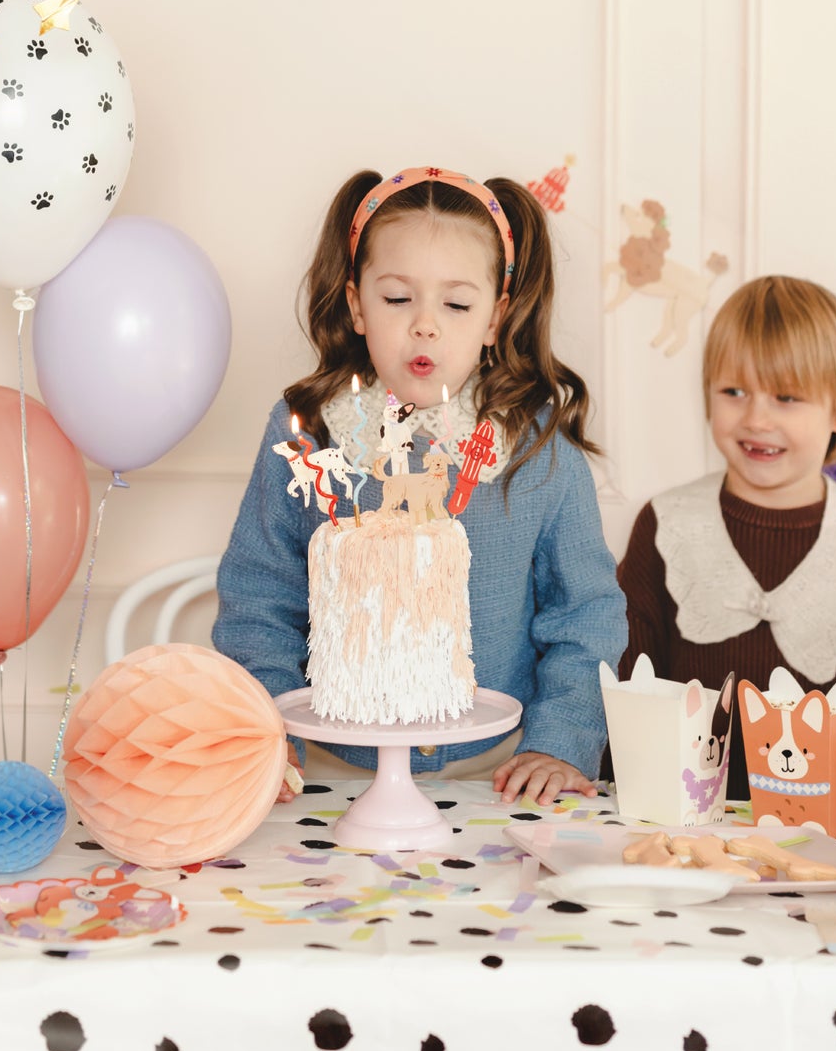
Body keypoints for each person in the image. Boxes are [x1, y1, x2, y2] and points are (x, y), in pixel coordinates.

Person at [213, 166, 626, 806]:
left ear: (496, 317)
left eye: (457, 304)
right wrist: (270, 732)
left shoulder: (538, 448)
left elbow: (585, 617)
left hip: (496, 773)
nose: (425, 325)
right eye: (397, 298)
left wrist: (560, 740)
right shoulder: (310, 433)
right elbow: (259, 599)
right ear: (356, 305)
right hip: (329, 771)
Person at [615, 275, 836, 799]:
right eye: (734, 392)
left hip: (833, 836)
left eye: (786, 397)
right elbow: (632, 684)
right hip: (684, 824)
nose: (756, 418)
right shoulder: (666, 524)